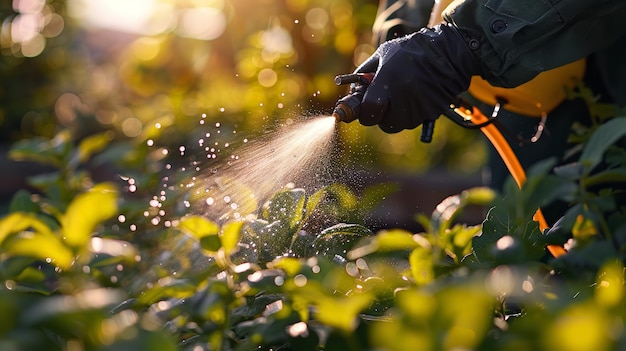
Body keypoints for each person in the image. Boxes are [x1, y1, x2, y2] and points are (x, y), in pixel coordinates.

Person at [346, 0, 626, 221]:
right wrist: (409, 33)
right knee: (526, 244)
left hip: (566, 43)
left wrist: (464, 41)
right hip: (518, 67)